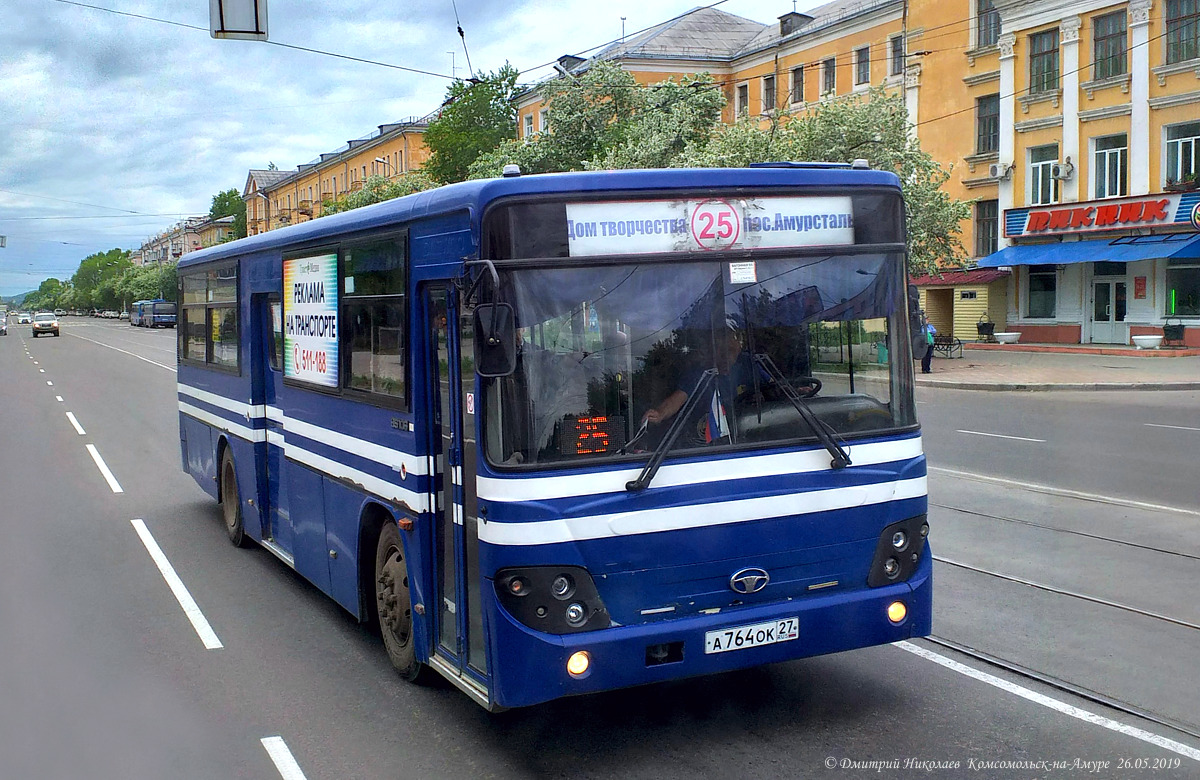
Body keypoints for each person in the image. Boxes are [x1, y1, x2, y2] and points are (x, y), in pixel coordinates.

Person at [643, 325, 765, 443]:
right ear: (711, 352)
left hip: (751, 439)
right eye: (721, 351)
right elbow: (677, 399)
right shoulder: (699, 374)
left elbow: (775, 388)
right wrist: (659, 413)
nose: (726, 357)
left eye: (731, 350)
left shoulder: (748, 364)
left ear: (739, 349)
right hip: (706, 445)